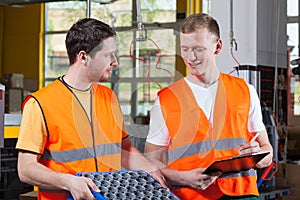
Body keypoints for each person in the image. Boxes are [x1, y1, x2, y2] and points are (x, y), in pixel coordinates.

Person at [16, 18, 166, 200]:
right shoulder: (40, 103)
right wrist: (68, 181)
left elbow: (124, 151)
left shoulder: (108, 97)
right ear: (83, 57)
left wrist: (149, 168)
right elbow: (25, 169)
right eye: (108, 55)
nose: (115, 62)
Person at [144, 13, 273, 200]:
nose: (191, 57)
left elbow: (267, 151)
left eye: (199, 49)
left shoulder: (245, 91)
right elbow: (150, 161)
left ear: (218, 46)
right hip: (189, 195)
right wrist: (182, 178)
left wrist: (260, 154)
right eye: (185, 49)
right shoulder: (166, 99)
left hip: (242, 194)